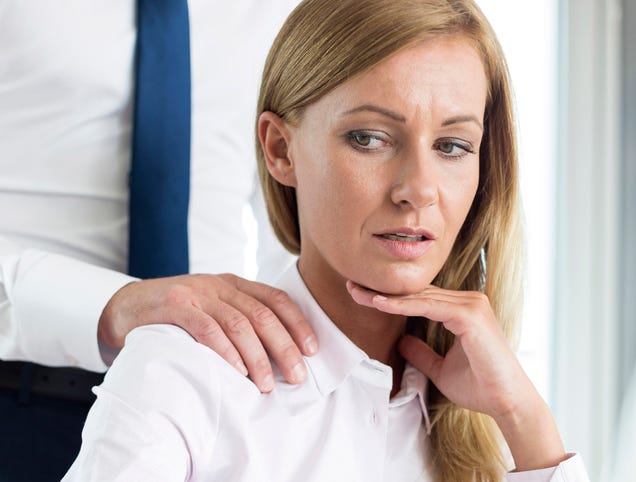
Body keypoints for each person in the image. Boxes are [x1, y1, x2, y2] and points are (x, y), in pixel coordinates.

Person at [64, 0, 591, 480]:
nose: (419, 191)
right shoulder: (183, 377)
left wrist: (523, 416)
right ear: (280, 150)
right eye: (369, 138)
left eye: (452, 146)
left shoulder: (490, 414)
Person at [0, 1, 317, 481]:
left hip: (223, 416)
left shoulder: (288, 12)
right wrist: (111, 306)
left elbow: (295, 231)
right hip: (22, 406)